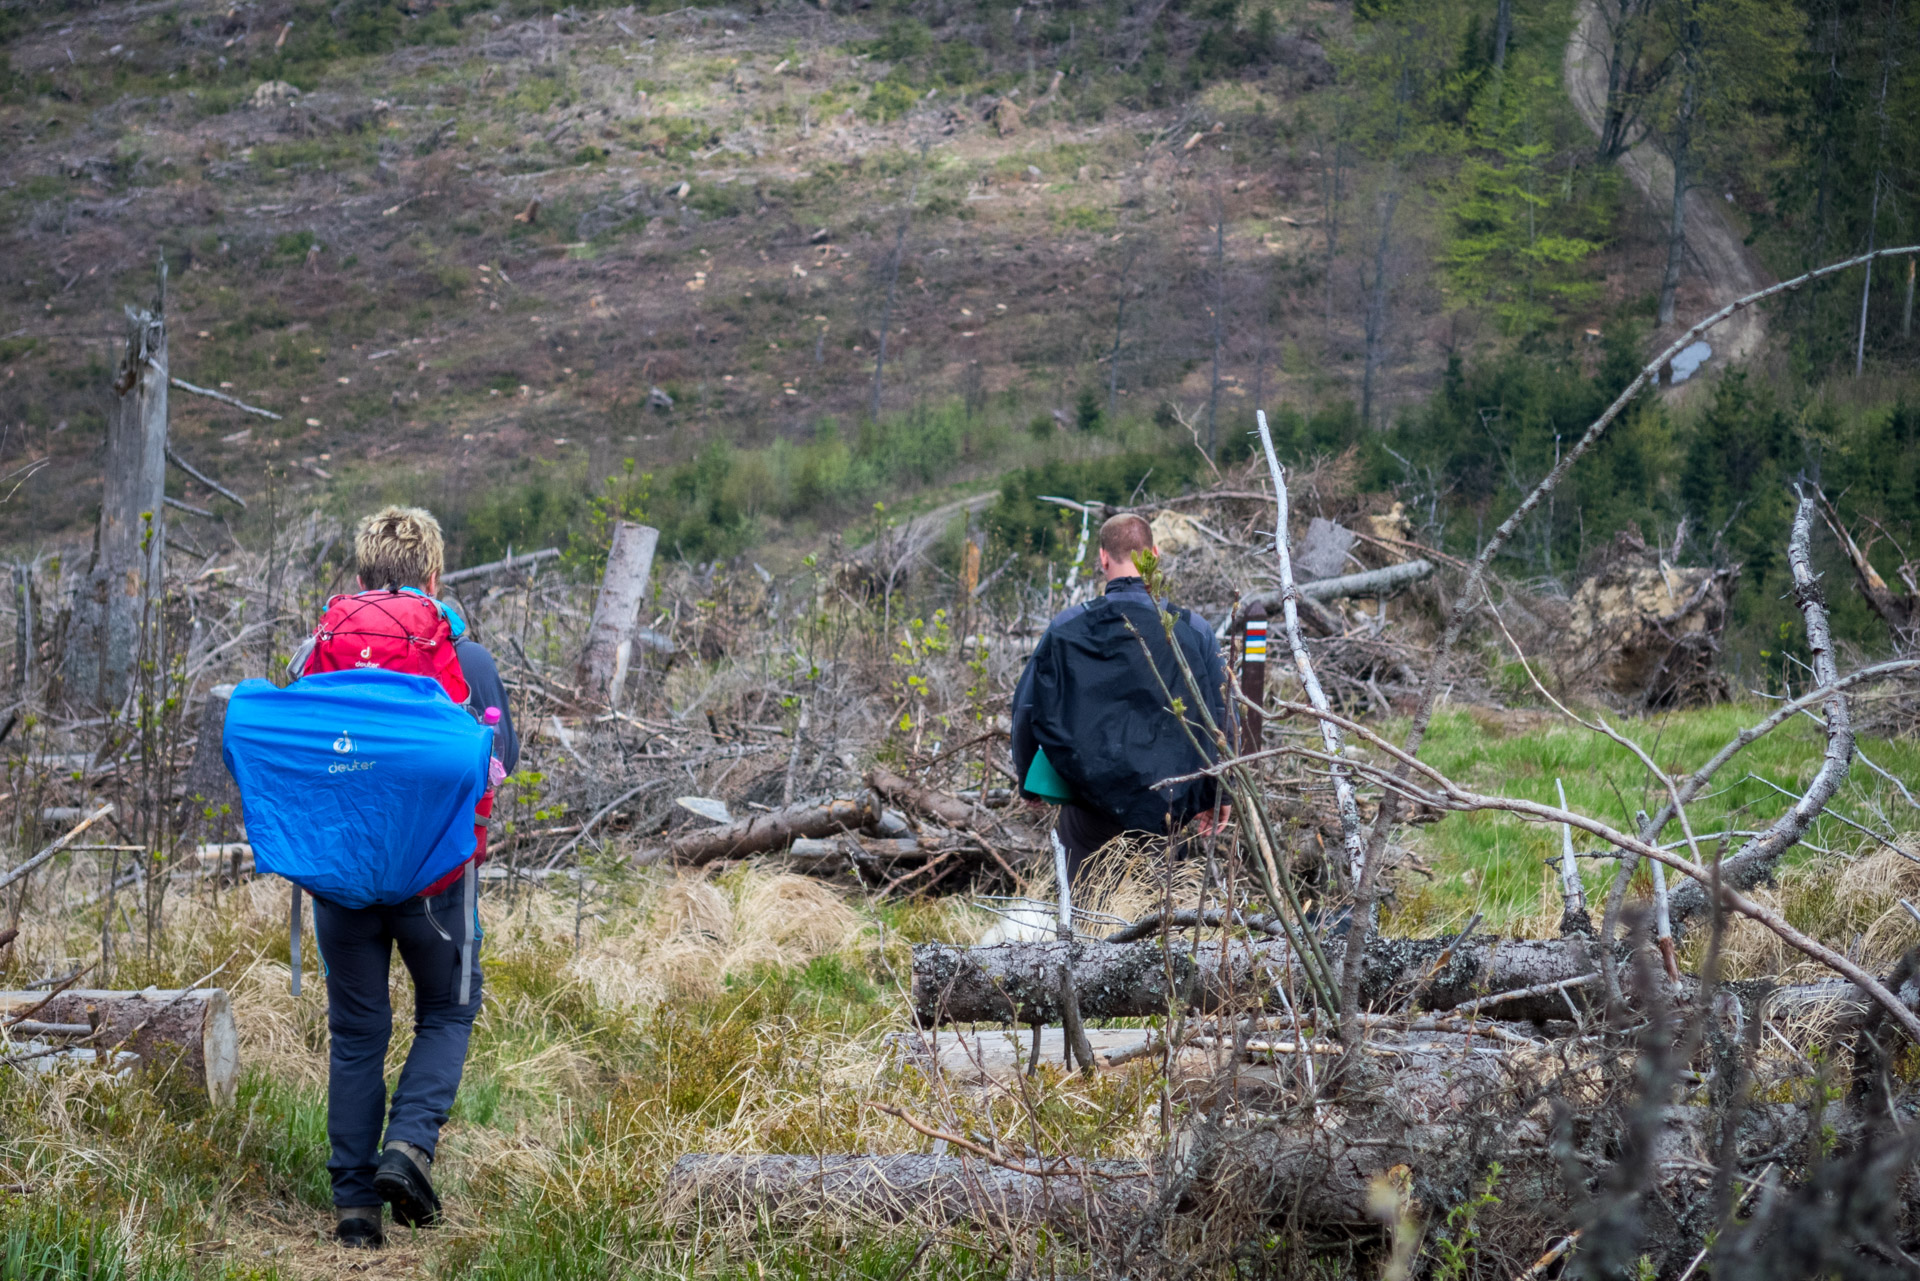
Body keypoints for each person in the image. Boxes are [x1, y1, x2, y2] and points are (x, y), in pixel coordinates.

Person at [295, 507, 520, 1249]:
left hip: (342, 878)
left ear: (360, 579)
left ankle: (356, 1210)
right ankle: (409, 1148)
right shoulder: (466, 655)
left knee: (358, 1033)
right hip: (437, 882)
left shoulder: (319, 652)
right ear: (434, 577)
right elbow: (501, 761)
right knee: (448, 1012)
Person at [1009, 512, 1231, 889]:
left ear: (1103, 559)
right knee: (1160, 920)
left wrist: (1029, 780)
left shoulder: (1067, 627)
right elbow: (1220, 717)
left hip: (1088, 806)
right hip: (1169, 805)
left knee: (1086, 916)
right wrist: (1219, 792)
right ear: (1155, 555)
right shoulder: (1193, 630)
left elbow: (1027, 708)